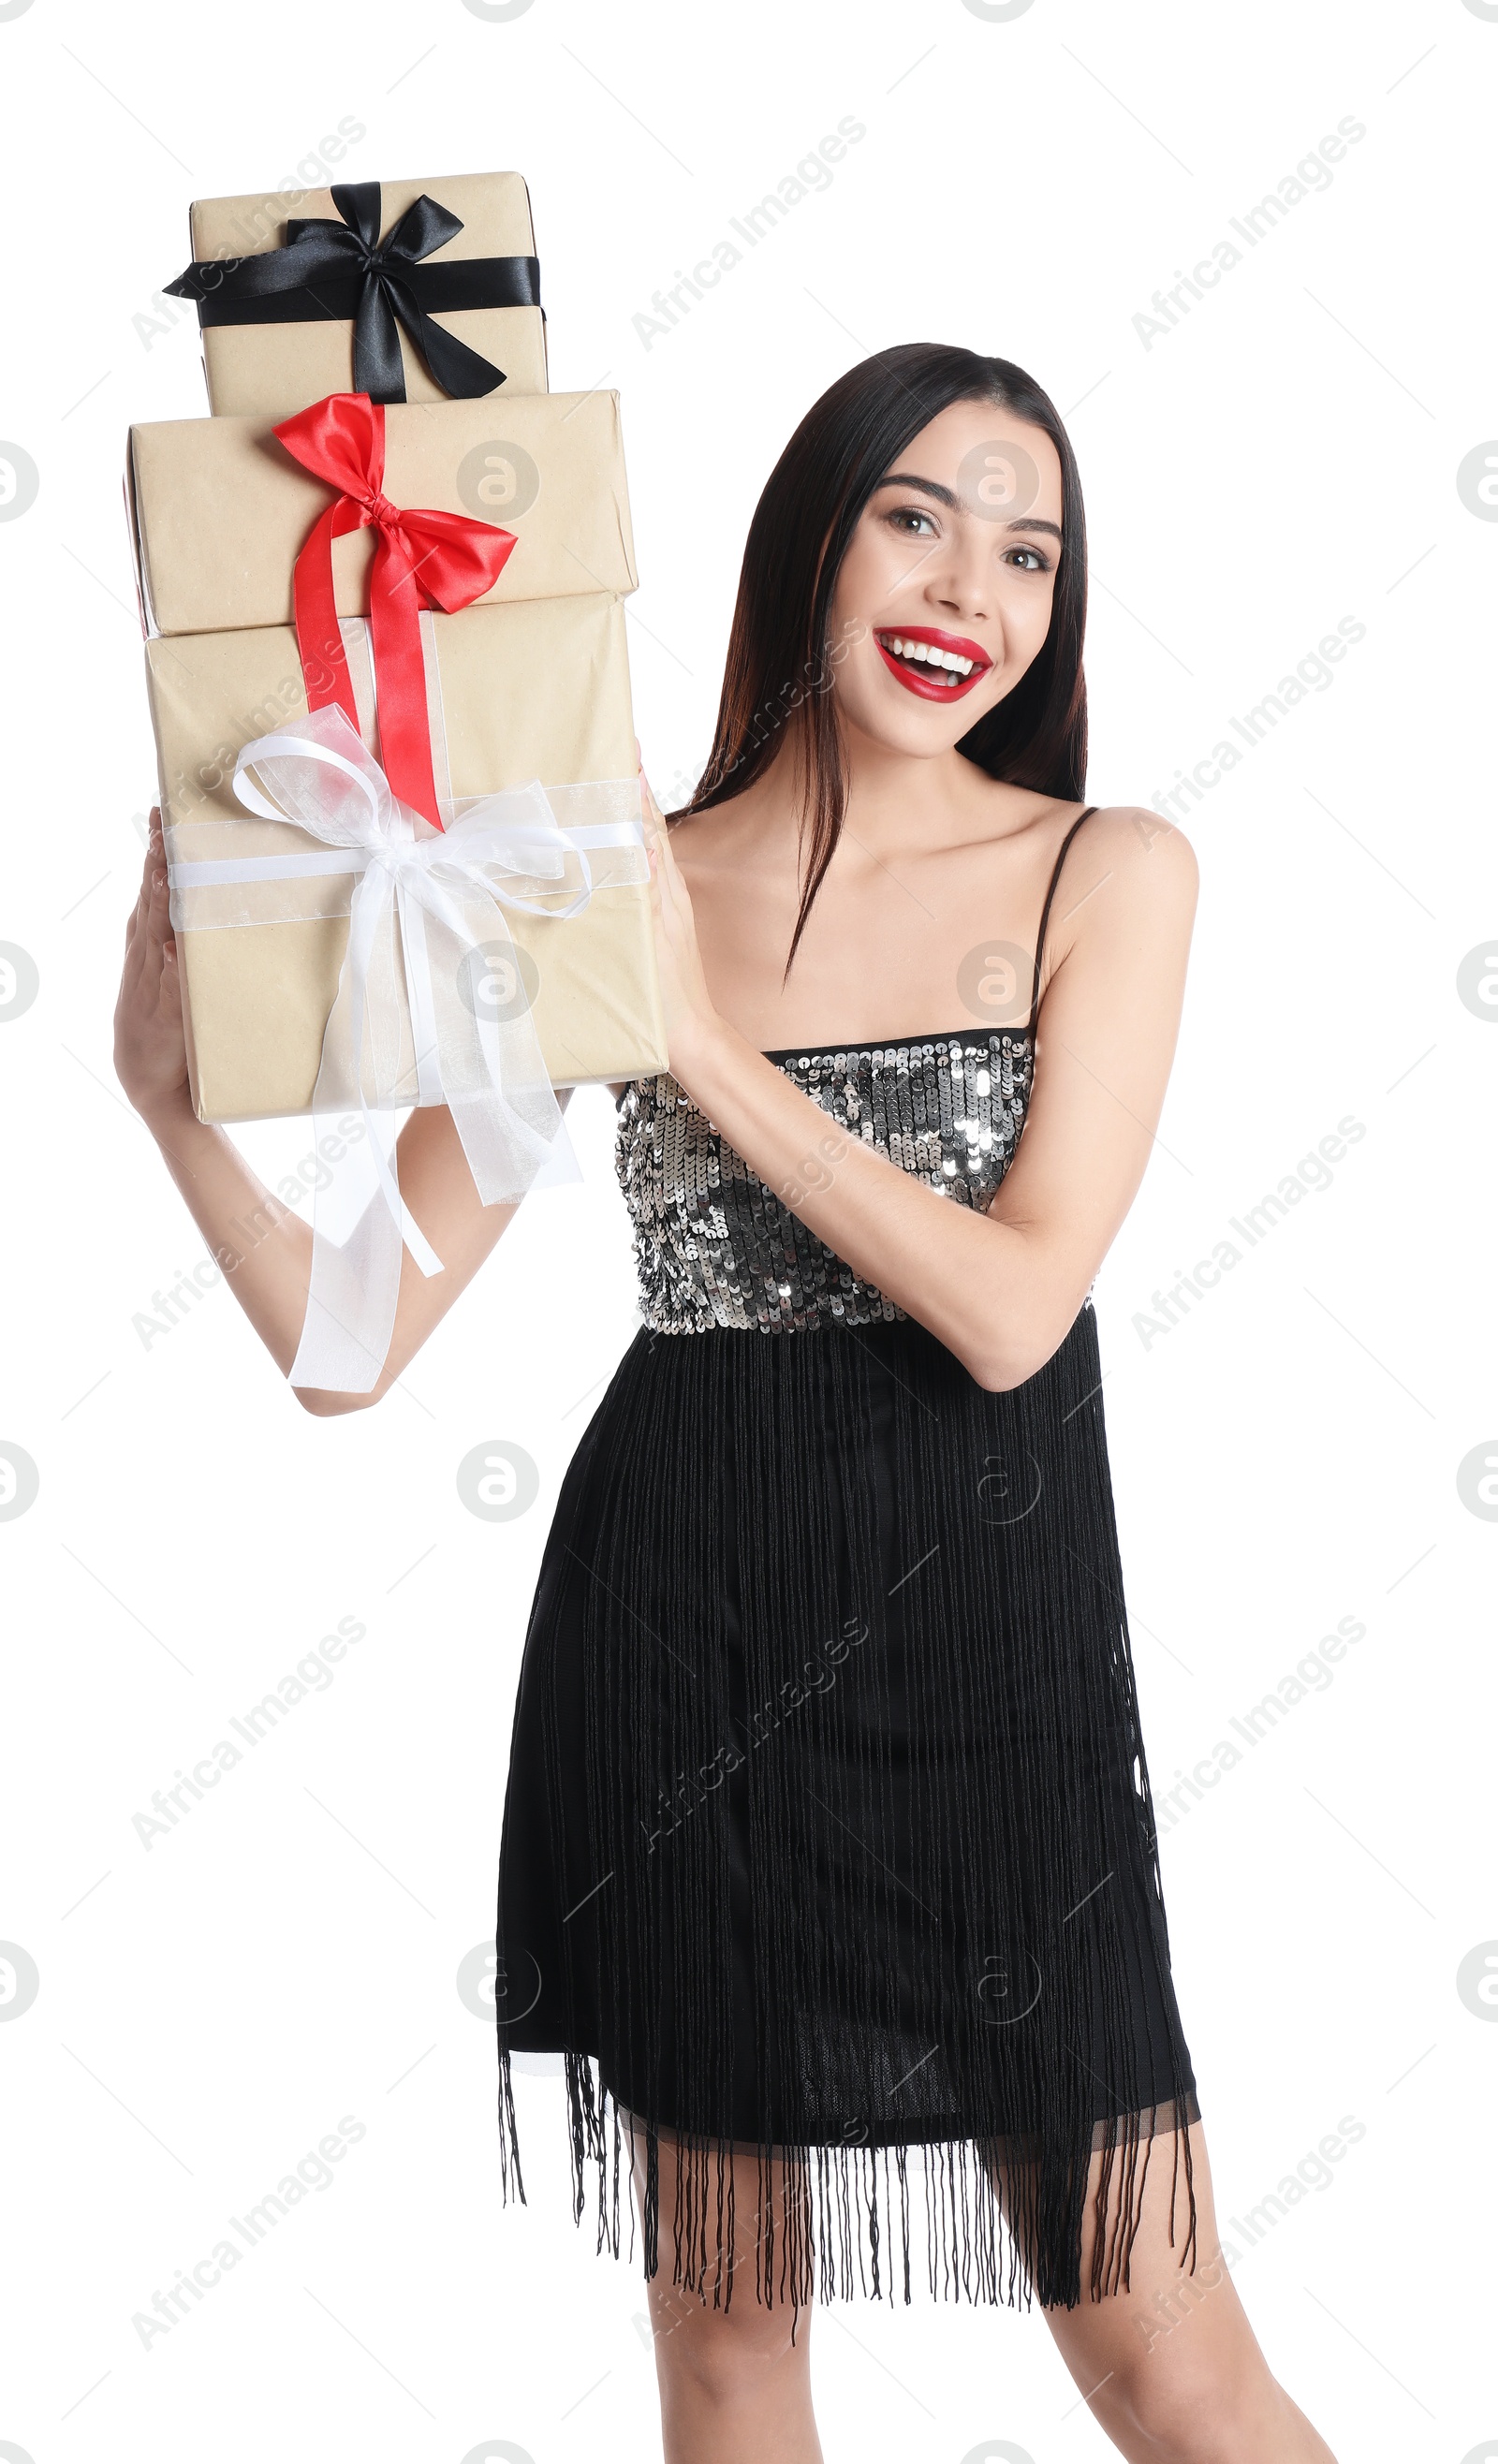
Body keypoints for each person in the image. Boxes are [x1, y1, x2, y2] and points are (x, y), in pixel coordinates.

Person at [115, 344, 1338, 2464]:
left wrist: (693, 1039)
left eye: (1028, 547)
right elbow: (349, 1338)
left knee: (1160, 2354)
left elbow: (1010, 1307)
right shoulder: (607, 874)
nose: (973, 581)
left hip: (995, 1669)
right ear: (810, 535)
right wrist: (166, 1108)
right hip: (680, 1643)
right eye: (917, 515)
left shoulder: (1103, 871)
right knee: (725, 2348)